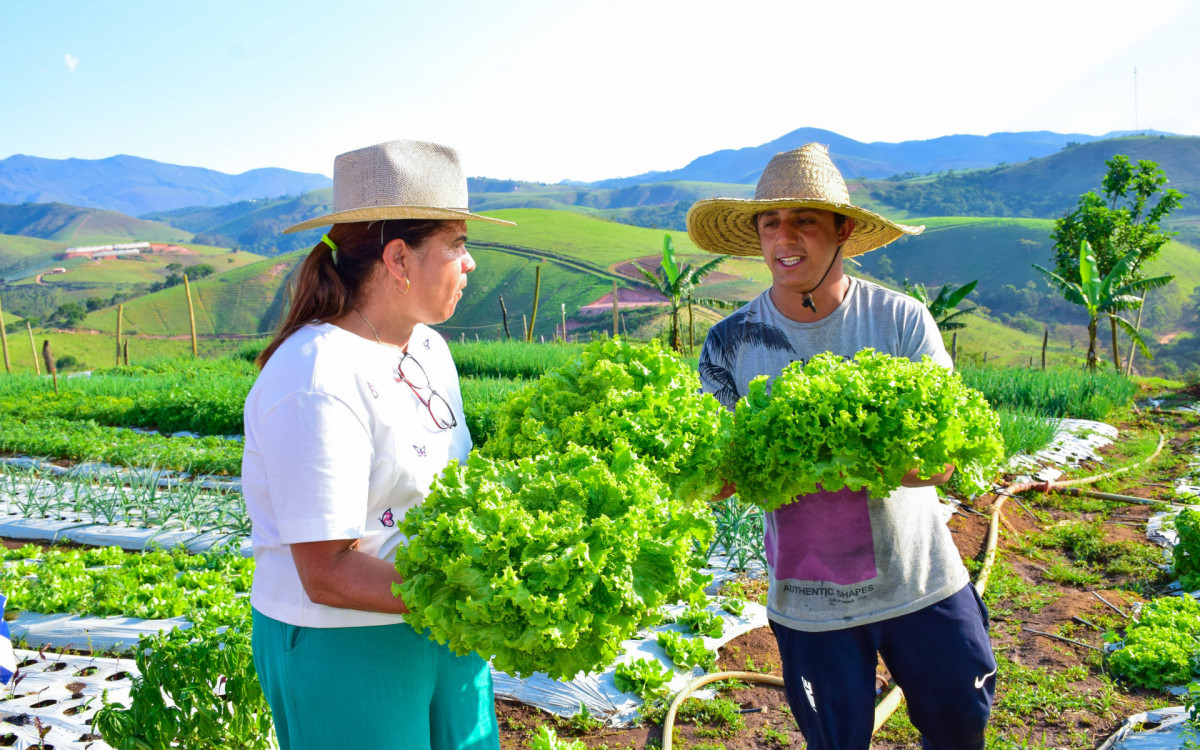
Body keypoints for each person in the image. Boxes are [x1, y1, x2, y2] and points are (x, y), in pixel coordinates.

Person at [688, 143, 996, 750]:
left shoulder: (901, 321)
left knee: (962, 724)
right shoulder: (728, 345)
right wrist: (722, 469)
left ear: (843, 231)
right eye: (770, 222)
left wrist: (832, 447)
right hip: (809, 599)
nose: (785, 237)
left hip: (918, 581)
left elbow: (941, 460)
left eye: (805, 219)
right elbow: (717, 476)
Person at [242, 139, 513, 750]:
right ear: (398, 259)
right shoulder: (314, 378)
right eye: (458, 245)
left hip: (436, 620)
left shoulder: (427, 348)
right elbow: (328, 572)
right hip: (345, 640)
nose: (469, 264)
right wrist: (475, 597)